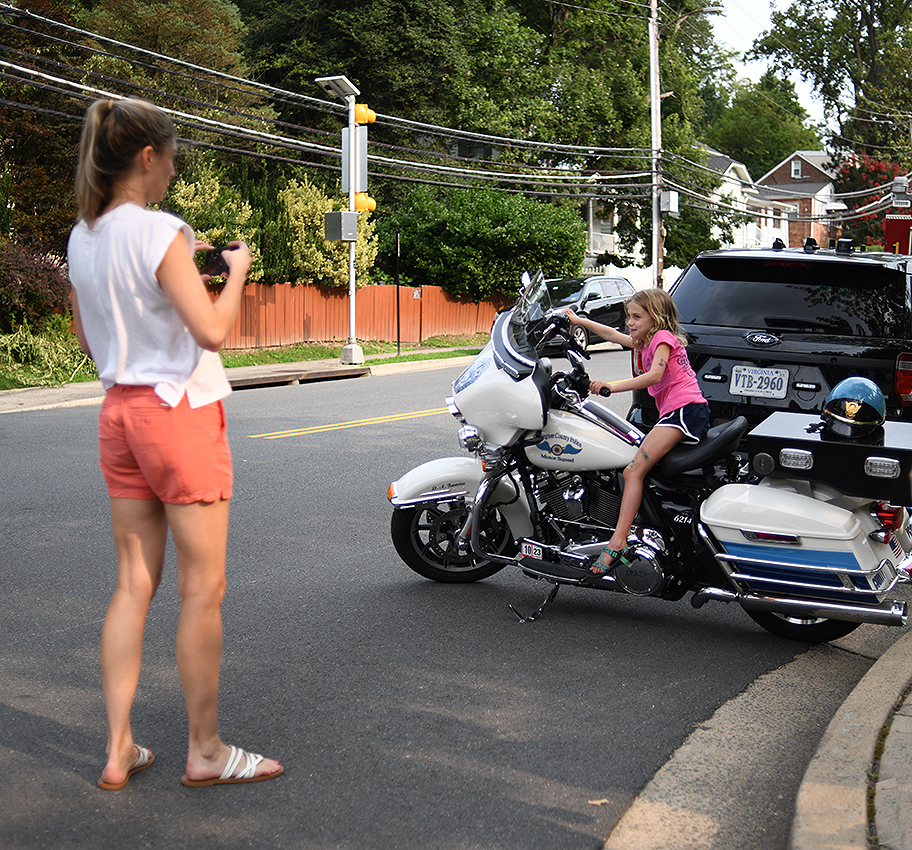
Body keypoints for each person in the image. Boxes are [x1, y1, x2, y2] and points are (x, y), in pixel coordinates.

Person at [67, 97, 283, 789]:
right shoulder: (160, 232)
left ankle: (118, 747)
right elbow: (212, 332)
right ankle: (207, 750)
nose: (171, 176)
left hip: (120, 413)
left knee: (133, 583)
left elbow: (87, 338)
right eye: (171, 162)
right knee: (202, 588)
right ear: (147, 157)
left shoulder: (83, 236)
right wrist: (239, 273)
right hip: (179, 413)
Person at [565, 288, 709, 575]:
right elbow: (611, 335)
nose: (629, 322)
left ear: (655, 317)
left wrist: (611, 386)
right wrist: (579, 321)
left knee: (633, 471)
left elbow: (655, 375)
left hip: (685, 411)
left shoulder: (662, 339)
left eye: (636, 316)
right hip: (678, 411)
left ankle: (617, 542)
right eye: (629, 316)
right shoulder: (645, 341)